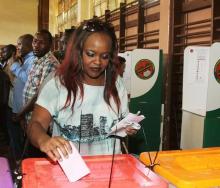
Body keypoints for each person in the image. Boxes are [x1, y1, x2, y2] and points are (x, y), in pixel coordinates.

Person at [27, 18, 137, 162]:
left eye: (104, 56)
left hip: (109, 169)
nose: (97, 62)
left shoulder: (117, 84)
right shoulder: (58, 84)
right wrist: (44, 140)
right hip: (69, 170)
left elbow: (122, 120)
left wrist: (129, 127)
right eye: (91, 54)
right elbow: (36, 124)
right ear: (78, 52)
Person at [8, 34, 35, 160]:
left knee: (23, 144)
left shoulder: (33, 60)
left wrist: (14, 65)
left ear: (30, 45)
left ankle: (21, 165)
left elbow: (28, 80)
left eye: (20, 44)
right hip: (21, 111)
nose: (17, 47)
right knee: (19, 141)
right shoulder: (26, 60)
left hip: (25, 111)